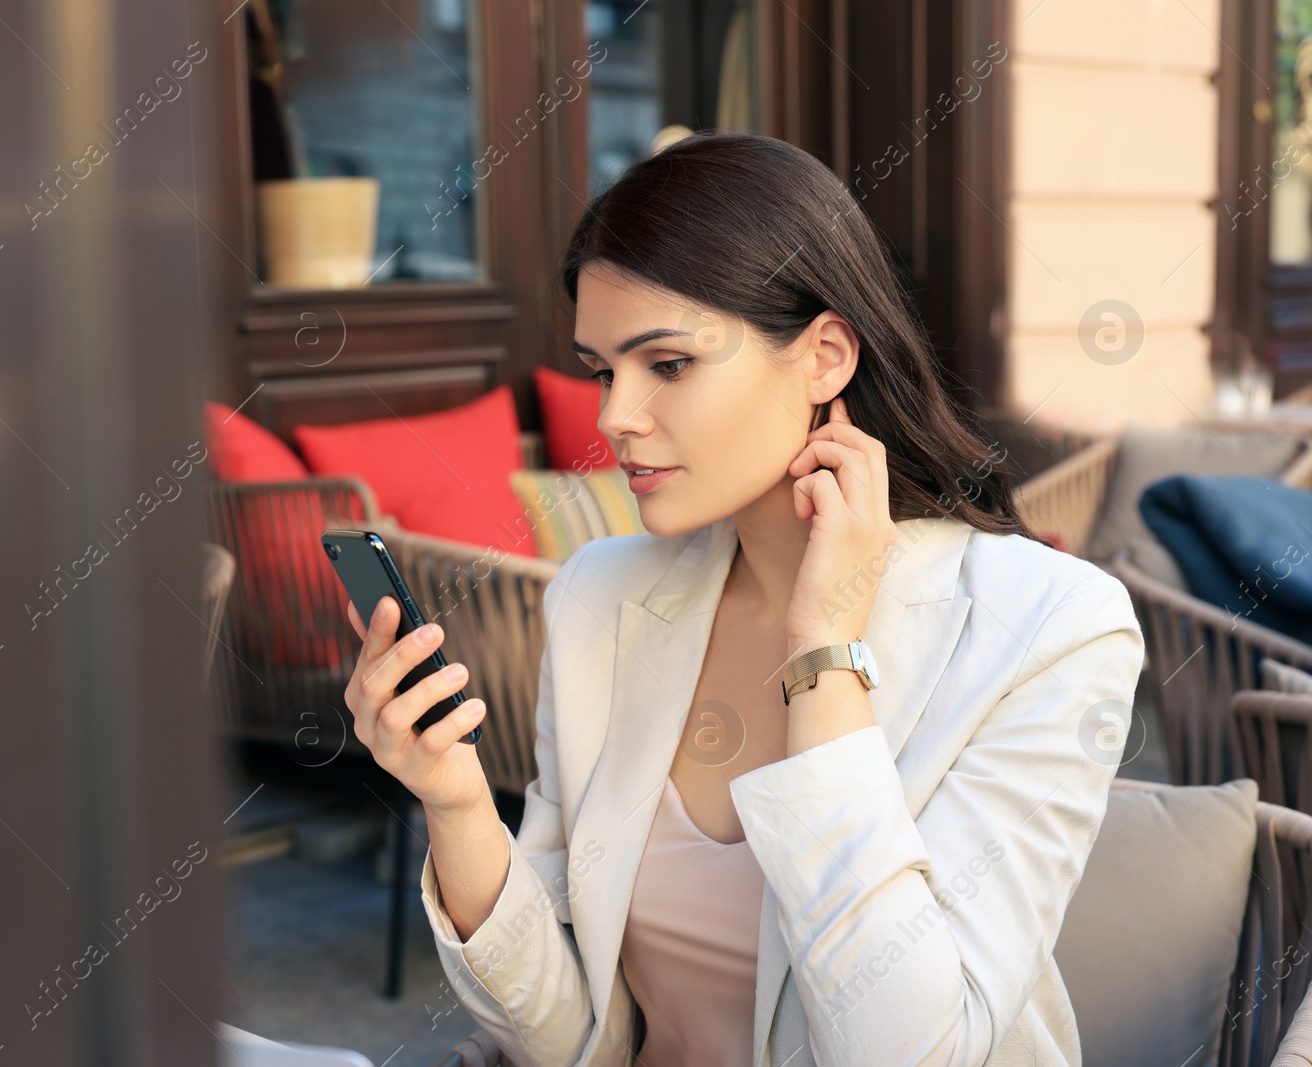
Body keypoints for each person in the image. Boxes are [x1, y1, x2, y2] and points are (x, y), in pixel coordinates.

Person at [341, 133, 1145, 1067]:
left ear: (825, 358)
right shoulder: (601, 596)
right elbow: (568, 1039)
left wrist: (824, 655)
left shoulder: (1052, 629)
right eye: (604, 369)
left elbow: (914, 1052)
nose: (613, 417)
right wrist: (458, 802)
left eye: (668, 364)